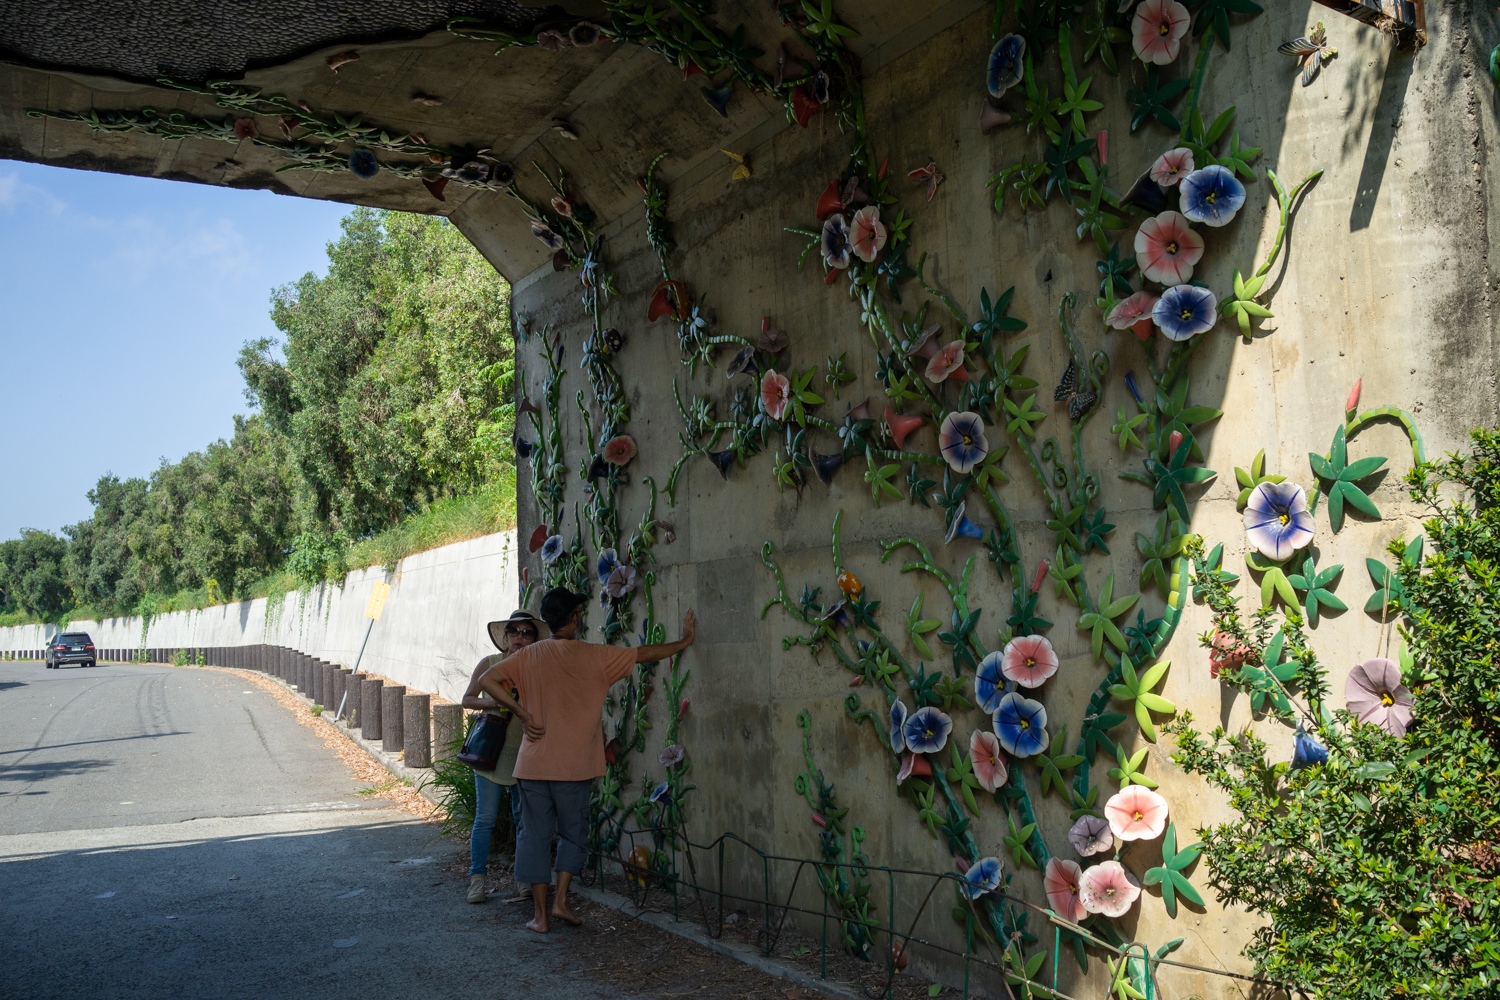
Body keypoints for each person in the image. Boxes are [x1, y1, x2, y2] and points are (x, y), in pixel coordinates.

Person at [480, 586, 696, 933]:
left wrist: (521, 712)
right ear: (576, 619)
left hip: (533, 764)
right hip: (576, 765)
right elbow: (642, 654)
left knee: (533, 837)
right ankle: (562, 901)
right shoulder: (596, 655)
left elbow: (487, 680)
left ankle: (540, 917)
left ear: (548, 622)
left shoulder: (527, 656)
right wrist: (683, 642)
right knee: (573, 833)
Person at [459, 609, 546, 904]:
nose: (520, 638)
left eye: (527, 632)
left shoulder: (537, 668)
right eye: (514, 631)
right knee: (485, 819)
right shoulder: (490, 664)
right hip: (490, 754)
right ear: (505, 636)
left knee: (524, 820)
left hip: (525, 753)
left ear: (534, 638)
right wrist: (494, 701)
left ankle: (523, 878)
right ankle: (477, 879)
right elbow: (467, 699)